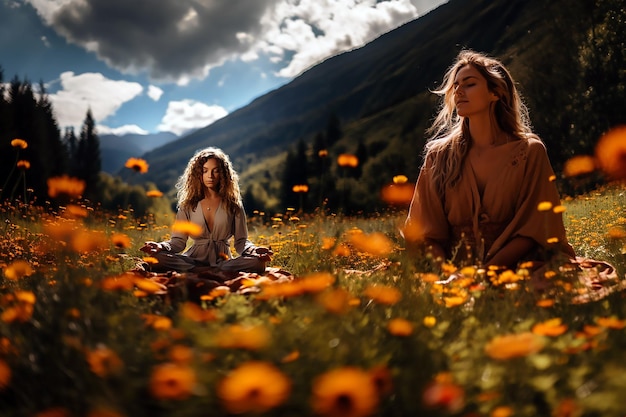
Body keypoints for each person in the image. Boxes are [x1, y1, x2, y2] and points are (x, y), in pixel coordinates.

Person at [404, 50, 576, 272]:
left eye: (469, 84)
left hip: (518, 266)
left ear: (495, 92)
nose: (459, 90)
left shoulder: (529, 152)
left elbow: (535, 229)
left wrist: (485, 274)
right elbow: (427, 232)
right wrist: (447, 277)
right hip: (452, 271)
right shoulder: (439, 156)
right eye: (455, 85)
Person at [140, 147, 272, 277]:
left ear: (223, 174)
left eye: (216, 171)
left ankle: (208, 271)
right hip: (192, 261)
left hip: (224, 262)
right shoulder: (187, 205)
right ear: (198, 174)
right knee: (157, 258)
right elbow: (178, 242)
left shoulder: (234, 205)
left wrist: (254, 250)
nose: (210, 176)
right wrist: (160, 246)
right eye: (205, 171)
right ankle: (204, 270)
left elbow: (241, 242)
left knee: (258, 263)